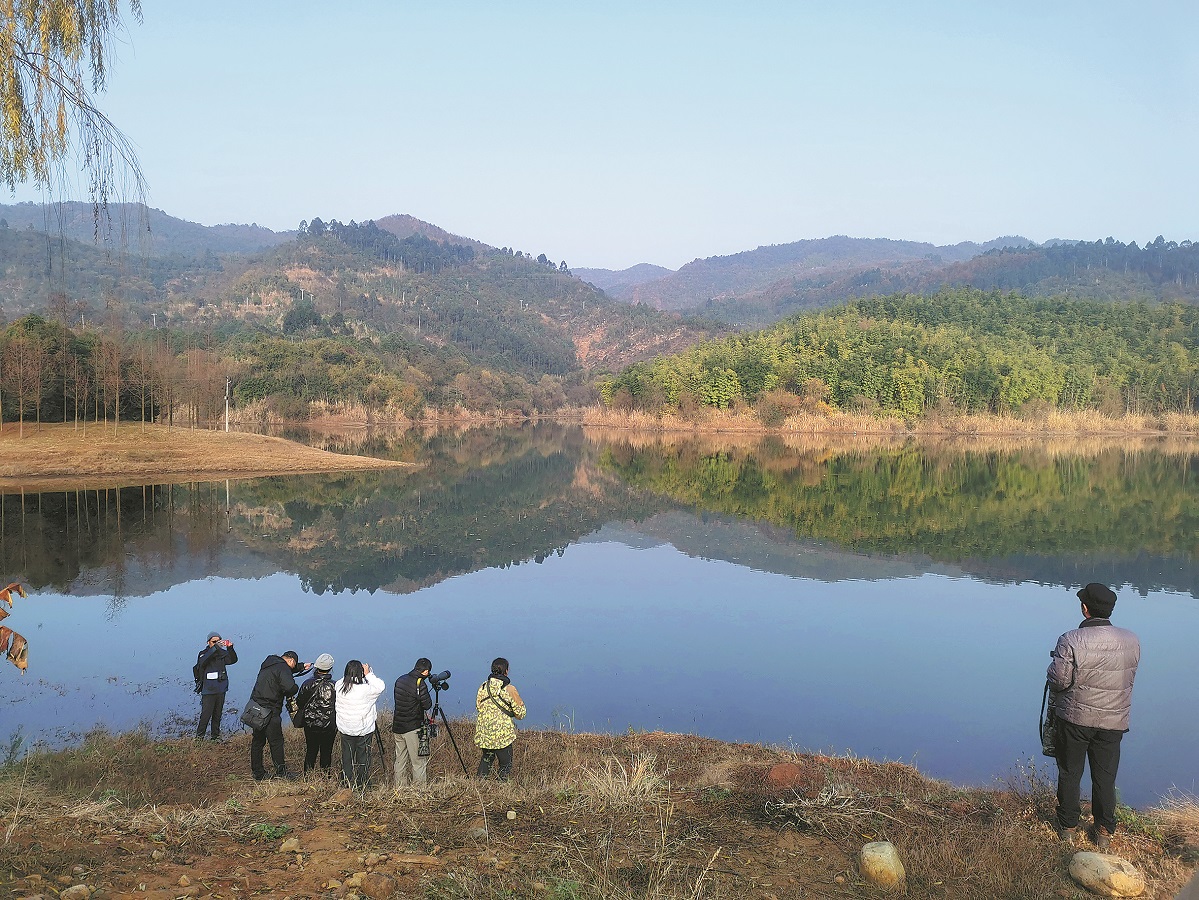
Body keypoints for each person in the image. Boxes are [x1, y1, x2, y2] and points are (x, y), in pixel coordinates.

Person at [1048, 583, 1140, 849]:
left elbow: (1059, 681)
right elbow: (1127, 678)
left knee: (1070, 772)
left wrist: (1050, 669)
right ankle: (1103, 832)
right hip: (1113, 721)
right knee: (1105, 777)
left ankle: (1067, 828)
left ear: (1084, 608)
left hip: (1075, 719)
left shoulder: (1071, 639)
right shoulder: (1131, 640)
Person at [249, 649, 311, 781]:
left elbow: (283, 671)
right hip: (270, 710)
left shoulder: (270, 663)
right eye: (295, 664)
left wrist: (301, 666)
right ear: (290, 660)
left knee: (258, 741)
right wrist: (295, 687)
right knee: (276, 742)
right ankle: (281, 773)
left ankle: (257, 772)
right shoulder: (283, 668)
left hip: (256, 707)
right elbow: (289, 688)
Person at [335, 659, 385, 790]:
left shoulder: (339, 686)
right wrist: (368, 674)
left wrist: (354, 672)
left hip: (345, 729)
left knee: (347, 756)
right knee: (363, 757)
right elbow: (380, 686)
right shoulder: (365, 690)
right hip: (363, 730)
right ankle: (362, 783)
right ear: (361, 673)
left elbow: (347, 679)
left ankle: (347, 782)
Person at [474, 657, 526, 780]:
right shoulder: (509, 689)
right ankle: (501, 788)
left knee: (486, 759)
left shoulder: (483, 687)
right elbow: (521, 714)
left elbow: (478, 706)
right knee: (505, 764)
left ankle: (479, 785)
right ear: (506, 671)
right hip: (503, 736)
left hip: (485, 733)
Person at [392, 657, 434, 788]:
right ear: (426, 672)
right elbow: (427, 705)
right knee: (418, 762)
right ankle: (419, 790)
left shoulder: (400, 679)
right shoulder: (420, 683)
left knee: (400, 759)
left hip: (398, 726)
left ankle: (399, 788)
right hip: (412, 728)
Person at [295, 653, 337, 772]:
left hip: (310, 723)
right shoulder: (335, 685)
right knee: (326, 752)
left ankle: (308, 777)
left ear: (317, 667)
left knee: (311, 751)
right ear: (330, 669)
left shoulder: (307, 684)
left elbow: (299, 703)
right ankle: (325, 777)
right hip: (329, 725)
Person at [193, 630, 237, 740]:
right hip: (208, 690)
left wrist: (230, 648)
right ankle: (199, 738)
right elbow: (203, 661)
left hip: (221, 688)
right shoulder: (203, 653)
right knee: (206, 715)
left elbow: (233, 660)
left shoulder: (222, 654)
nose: (217, 643)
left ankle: (215, 737)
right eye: (214, 642)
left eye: (218, 641)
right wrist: (215, 648)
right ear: (208, 642)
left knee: (217, 714)